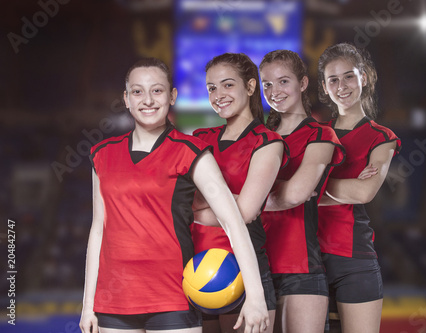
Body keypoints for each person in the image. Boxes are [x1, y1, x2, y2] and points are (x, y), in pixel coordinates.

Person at [79, 58, 270, 333]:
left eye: (157, 90)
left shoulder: (191, 151)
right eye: (137, 91)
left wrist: (256, 297)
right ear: (126, 99)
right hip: (113, 301)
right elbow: (98, 230)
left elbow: (234, 222)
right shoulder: (102, 154)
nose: (147, 100)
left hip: (172, 296)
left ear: (172, 96)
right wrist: (88, 306)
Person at [190, 53, 287, 333]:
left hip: (244, 270)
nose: (218, 94)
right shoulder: (199, 138)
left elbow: (243, 214)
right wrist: (228, 200)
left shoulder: (267, 142)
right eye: (211, 88)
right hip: (196, 270)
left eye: (227, 85)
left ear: (250, 86)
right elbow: (177, 202)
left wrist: (196, 205)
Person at [316, 43, 401, 333]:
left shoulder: (382, 137)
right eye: (333, 80)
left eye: (349, 76)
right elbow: (285, 192)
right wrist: (343, 188)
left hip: (354, 258)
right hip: (306, 256)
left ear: (363, 77)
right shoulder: (313, 134)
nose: (342, 86)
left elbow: (364, 193)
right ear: (324, 88)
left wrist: (311, 189)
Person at [258, 50, 344, 333]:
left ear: (303, 83)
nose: (274, 91)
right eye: (267, 84)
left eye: (283, 81)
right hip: (253, 264)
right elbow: (289, 192)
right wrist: (280, 192)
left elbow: (296, 193)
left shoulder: (320, 135)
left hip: (301, 267)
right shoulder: (258, 137)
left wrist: (245, 198)